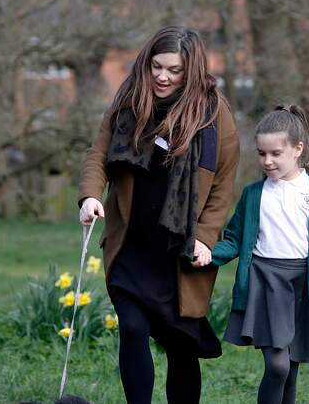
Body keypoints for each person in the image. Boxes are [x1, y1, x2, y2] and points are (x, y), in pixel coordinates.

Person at [78, 26, 240, 404]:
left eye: (174, 70)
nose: (163, 77)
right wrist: (90, 196)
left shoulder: (214, 113)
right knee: (133, 329)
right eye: (157, 67)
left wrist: (205, 238)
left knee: (180, 345)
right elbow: (98, 154)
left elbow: (222, 185)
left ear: (191, 71)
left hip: (179, 253)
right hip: (131, 246)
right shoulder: (128, 101)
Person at [212, 105, 309, 404]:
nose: (267, 161)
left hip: (302, 285)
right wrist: (208, 254)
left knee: (290, 370)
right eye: (261, 153)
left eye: (275, 153)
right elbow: (234, 238)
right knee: (278, 366)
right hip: (265, 283)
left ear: (297, 149)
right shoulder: (254, 194)